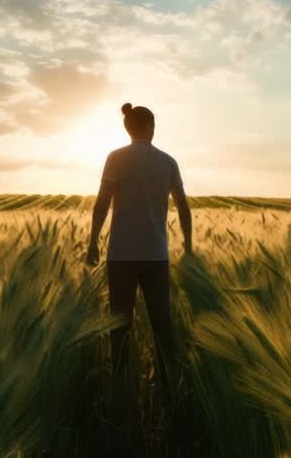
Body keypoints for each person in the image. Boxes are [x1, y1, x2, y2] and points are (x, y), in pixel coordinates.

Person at [87, 102, 193, 397]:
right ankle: (168, 389)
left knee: (119, 327)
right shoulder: (168, 162)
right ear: (149, 127)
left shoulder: (115, 158)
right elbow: (183, 206)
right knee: (162, 327)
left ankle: (119, 388)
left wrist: (92, 241)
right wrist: (189, 245)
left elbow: (102, 203)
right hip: (156, 255)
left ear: (128, 128)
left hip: (120, 255)